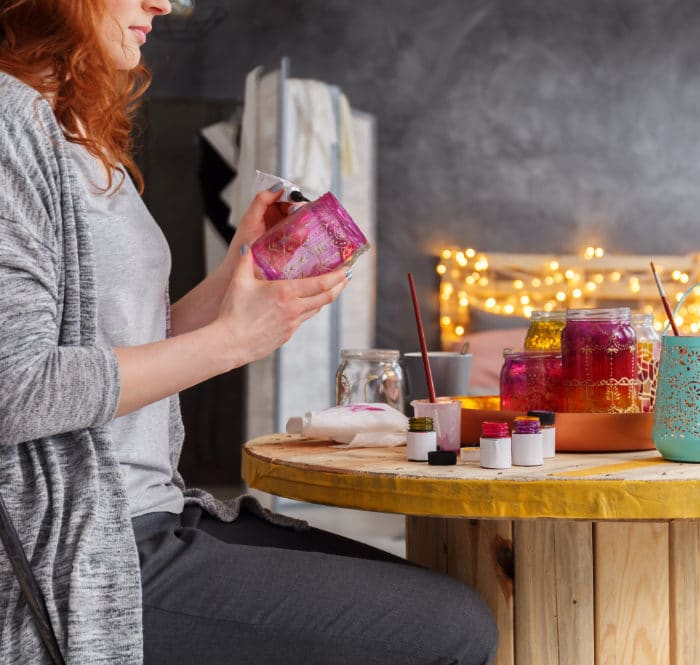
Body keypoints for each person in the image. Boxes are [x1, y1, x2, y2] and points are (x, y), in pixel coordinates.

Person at [0, 1, 498, 663]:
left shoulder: (69, 129)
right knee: (454, 627)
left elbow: (130, 340)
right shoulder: (9, 119)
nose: (166, 2)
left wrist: (239, 272)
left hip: (154, 515)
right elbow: (15, 386)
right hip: (84, 556)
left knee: (451, 603)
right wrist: (234, 339)